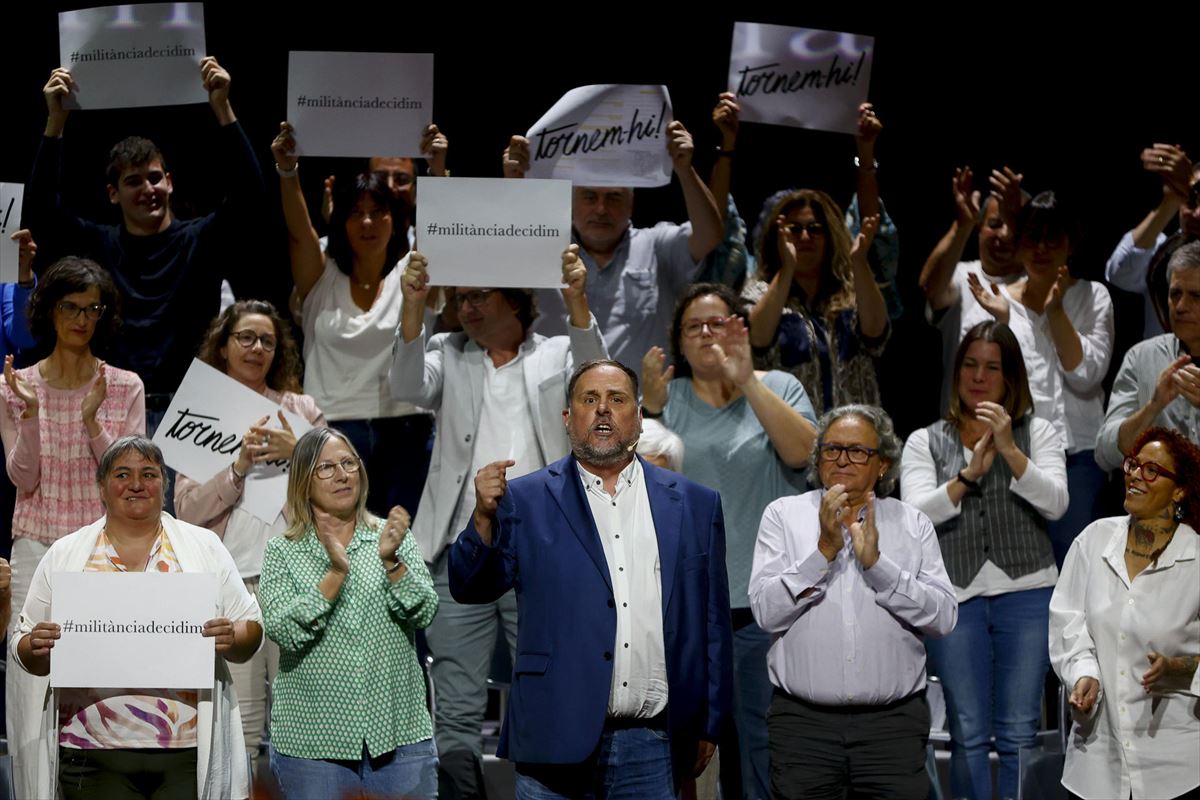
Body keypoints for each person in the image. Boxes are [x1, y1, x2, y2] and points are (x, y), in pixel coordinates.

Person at [449, 359, 733, 797]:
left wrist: (709, 723)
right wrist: (483, 519)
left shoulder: (696, 504)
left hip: (654, 742)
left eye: (617, 399)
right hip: (553, 737)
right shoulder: (523, 499)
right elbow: (471, 588)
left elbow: (712, 624)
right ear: (568, 418)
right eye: (589, 399)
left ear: (638, 417)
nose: (603, 409)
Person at [388, 246, 606, 796]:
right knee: (456, 697)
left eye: (480, 296)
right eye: (461, 298)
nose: (468, 308)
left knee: (541, 681)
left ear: (516, 300)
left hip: (541, 547)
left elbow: (593, 369)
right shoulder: (449, 351)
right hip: (462, 547)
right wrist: (414, 305)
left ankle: (547, 789)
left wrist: (576, 297)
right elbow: (408, 385)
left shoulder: (554, 353)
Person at [9, 435, 262, 800]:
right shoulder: (66, 554)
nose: (136, 485)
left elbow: (250, 628)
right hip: (91, 753)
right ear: (101, 487)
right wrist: (36, 646)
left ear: (165, 484)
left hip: (185, 753)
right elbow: (24, 642)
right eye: (122, 474)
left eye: (149, 474)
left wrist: (233, 637)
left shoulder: (204, 547)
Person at [641, 282, 816, 799]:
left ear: (740, 329)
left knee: (762, 742)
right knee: (694, 746)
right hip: (688, 601)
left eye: (717, 323)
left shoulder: (779, 385)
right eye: (693, 327)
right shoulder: (663, 400)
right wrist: (650, 408)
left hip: (763, 602)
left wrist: (747, 381)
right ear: (679, 340)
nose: (706, 335)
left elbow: (805, 453)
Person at [27, 60, 266, 429]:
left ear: (170, 182)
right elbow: (43, 214)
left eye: (155, 178)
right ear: (112, 193)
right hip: (116, 407)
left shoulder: (199, 239)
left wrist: (223, 107)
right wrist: (55, 123)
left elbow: (252, 197)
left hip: (194, 413)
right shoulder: (98, 246)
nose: (148, 189)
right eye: (134, 181)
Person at [750, 404, 957, 799]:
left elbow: (943, 617)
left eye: (858, 451)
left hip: (891, 729)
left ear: (882, 465)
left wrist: (878, 566)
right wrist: (823, 551)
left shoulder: (913, 524)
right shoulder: (783, 516)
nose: (843, 459)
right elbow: (765, 611)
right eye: (832, 449)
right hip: (803, 728)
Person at [901, 321, 1068, 800]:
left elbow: (1056, 503)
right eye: (970, 365)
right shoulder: (926, 440)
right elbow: (913, 516)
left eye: (992, 367)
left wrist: (1011, 450)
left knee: (1018, 732)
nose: (978, 376)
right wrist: (967, 476)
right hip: (957, 597)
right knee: (968, 733)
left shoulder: (1040, 432)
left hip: (1028, 592)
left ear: (1010, 377)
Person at [173, 299, 326, 763]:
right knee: (238, 724)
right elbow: (185, 510)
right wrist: (236, 469)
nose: (257, 347)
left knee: (300, 720)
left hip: (296, 579)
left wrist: (300, 448)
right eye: (246, 338)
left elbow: (343, 481)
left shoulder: (300, 408)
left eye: (267, 341)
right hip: (229, 583)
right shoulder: (201, 407)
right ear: (223, 346)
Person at [259, 427, 438, 800]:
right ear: (304, 483)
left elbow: (425, 610)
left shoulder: (391, 537)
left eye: (348, 463)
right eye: (326, 468)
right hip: (313, 749)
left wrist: (392, 563)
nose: (342, 475)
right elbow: (283, 629)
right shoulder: (282, 551)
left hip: (399, 739)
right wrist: (335, 575)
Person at [272, 123, 435, 517]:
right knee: (337, 547)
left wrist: (435, 166)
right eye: (356, 213)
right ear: (341, 221)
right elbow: (299, 231)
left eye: (377, 213)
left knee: (396, 552)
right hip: (332, 429)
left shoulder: (411, 271)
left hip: (407, 429)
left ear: (395, 219)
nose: (366, 223)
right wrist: (288, 171)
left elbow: (437, 223)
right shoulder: (321, 274)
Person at [502, 120, 725, 373]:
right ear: (571, 202)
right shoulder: (542, 246)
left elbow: (710, 235)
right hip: (556, 402)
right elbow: (501, 250)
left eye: (614, 197)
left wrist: (685, 170)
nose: (601, 208)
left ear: (632, 203)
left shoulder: (656, 246)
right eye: (589, 196)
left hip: (641, 406)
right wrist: (514, 187)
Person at [1049, 426, 1200, 800]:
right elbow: (1069, 625)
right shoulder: (1093, 541)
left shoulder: (1196, 560)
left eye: (1152, 470)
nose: (1134, 474)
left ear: (1179, 489)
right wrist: (1084, 674)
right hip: (1096, 765)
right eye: (1133, 464)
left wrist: (1184, 670)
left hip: (1176, 770)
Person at [2, 256, 144, 632]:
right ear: (50, 309)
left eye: (91, 309)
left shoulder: (125, 386)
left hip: (103, 543)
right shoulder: (14, 387)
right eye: (70, 307)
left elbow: (133, 481)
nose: (81, 320)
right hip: (34, 545)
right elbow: (24, 478)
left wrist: (92, 421)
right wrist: (31, 412)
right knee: (30, 672)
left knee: (99, 676)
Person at [1000, 191, 1113, 563]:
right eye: (1033, 236)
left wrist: (1056, 311)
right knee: (1021, 561)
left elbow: (1085, 377)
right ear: (1018, 244)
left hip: (1078, 454)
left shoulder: (1094, 296)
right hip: (1017, 450)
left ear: (1071, 243)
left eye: (1053, 237)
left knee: (1076, 562)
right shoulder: (1000, 301)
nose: (1042, 248)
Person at [919, 165, 1031, 412]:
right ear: (980, 228)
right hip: (959, 428)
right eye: (994, 223)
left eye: (1013, 225)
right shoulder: (960, 274)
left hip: (1019, 429)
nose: (1004, 234)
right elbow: (930, 287)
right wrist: (962, 225)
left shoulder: (1038, 285)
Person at [1097, 242, 1200, 471]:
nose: (1181, 306)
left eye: (1195, 296)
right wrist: (1153, 407)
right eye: (1175, 294)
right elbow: (1105, 454)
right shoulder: (1141, 357)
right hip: (1159, 505)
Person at [1106, 144, 1199, 337]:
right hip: (1163, 365)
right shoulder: (1160, 250)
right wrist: (1171, 201)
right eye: (1191, 201)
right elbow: (1118, 273)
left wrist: (1190, 183)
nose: (1197, 213)